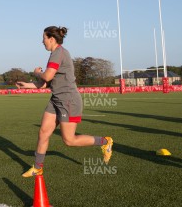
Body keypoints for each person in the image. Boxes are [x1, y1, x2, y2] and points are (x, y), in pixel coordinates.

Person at [16, 26, 113, 177]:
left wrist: (36, 72)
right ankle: (37, 167)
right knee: (43, 132)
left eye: (44, 38)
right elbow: (45, 84)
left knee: (69, 140)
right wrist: (26, 85)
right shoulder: (55, 54)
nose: (42, 42)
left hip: (68, 100)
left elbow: (46, 76)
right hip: (56, 99)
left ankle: (104, 141)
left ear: (51, 39)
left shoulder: (59, 53)